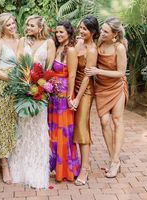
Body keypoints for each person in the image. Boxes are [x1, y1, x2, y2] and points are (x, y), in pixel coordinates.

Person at [9, 15, 56, 189]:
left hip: (40, 91)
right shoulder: (22, 41)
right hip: (24, 89)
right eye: (27, 25)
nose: (27, 28)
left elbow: (49, 68)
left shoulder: (49, 43)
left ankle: (37, 169)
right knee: (23, 129)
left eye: (31, 25)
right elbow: (19, 64)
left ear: (40, 27)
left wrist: (42, 87)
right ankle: (21, 168)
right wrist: (25, 85)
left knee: (38, 129)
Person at [85, 17, 128, 178]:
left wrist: (98, 72)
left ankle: (115, 161)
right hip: (101, 88)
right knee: (104, 121)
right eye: (102, 30)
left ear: (115, 34)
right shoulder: (100, 44)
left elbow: (121, 73)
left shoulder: (119, 48)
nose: (101, 33)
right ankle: (113, 157)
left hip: (116, 87)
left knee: (117, 120)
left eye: (105, 32)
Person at [48, 21, 80, 182]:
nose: (58, 35)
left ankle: (65, 169)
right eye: (57, 32)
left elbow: (72, 75)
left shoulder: (71, 50)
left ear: (69, 32)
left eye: (61, 32)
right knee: (53, 131)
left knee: (63, 132)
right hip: (53, 96)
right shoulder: (57, 47)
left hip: (63, 97)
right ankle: (54, 165)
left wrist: (69, 98)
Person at [0, 13, 18, 184]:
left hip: (17, 88)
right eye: (8, 24)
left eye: (13, 23)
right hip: (0, 87)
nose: (12, 26)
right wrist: (10, 78)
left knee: (13, 125)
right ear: (2, 27)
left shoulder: (19, 41)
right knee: (1, 125)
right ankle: (4, 165)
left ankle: (5, 160)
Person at [71, 16, 99, 186]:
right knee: (72, 125)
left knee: (82, 126)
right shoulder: (78, 43)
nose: (81, 31)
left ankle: (85, 168)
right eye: (80, 27)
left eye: (85, 29)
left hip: (85, 91)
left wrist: (77, 99)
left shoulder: (93, 50)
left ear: (93, 32)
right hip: (73, 86)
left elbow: (88, 78)